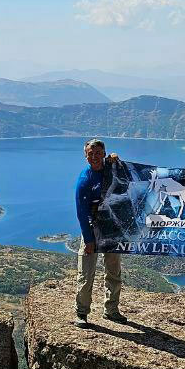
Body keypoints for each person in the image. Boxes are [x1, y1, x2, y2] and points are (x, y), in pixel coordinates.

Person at [74, 138, 125, 326]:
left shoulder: (111, 169)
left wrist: (117, 160)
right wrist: (88, 240)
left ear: (104, 154)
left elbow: (127, 176)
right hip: (92, 230)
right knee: (86, 274)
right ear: (85, 156)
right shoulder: (84, 180)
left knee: (113, 271)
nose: (94, 157)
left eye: (98, 153)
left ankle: (111, 310)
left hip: (111, 229)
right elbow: (81, 213)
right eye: (90, 154)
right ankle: (81, 312)